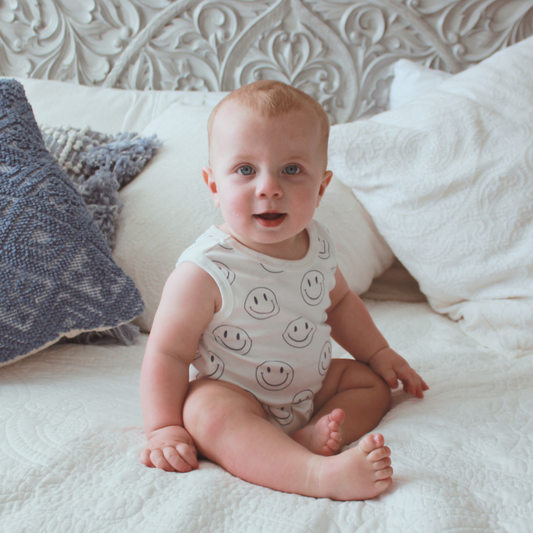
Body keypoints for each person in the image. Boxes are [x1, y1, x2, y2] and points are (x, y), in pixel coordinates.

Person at [139, 80, 429, 501]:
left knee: (370, 384)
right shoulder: (205, 269)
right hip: (237, 392)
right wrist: (163, 428)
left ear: (321, 188)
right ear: (214, 186)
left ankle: (310, 435)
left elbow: (339, 303)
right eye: (245, 170)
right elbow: (167, 353)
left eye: (291, 170)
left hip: (309, 386)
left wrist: (379, 353)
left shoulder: (319, 244)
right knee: (206, 411)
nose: (269, 187)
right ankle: (315, 474)